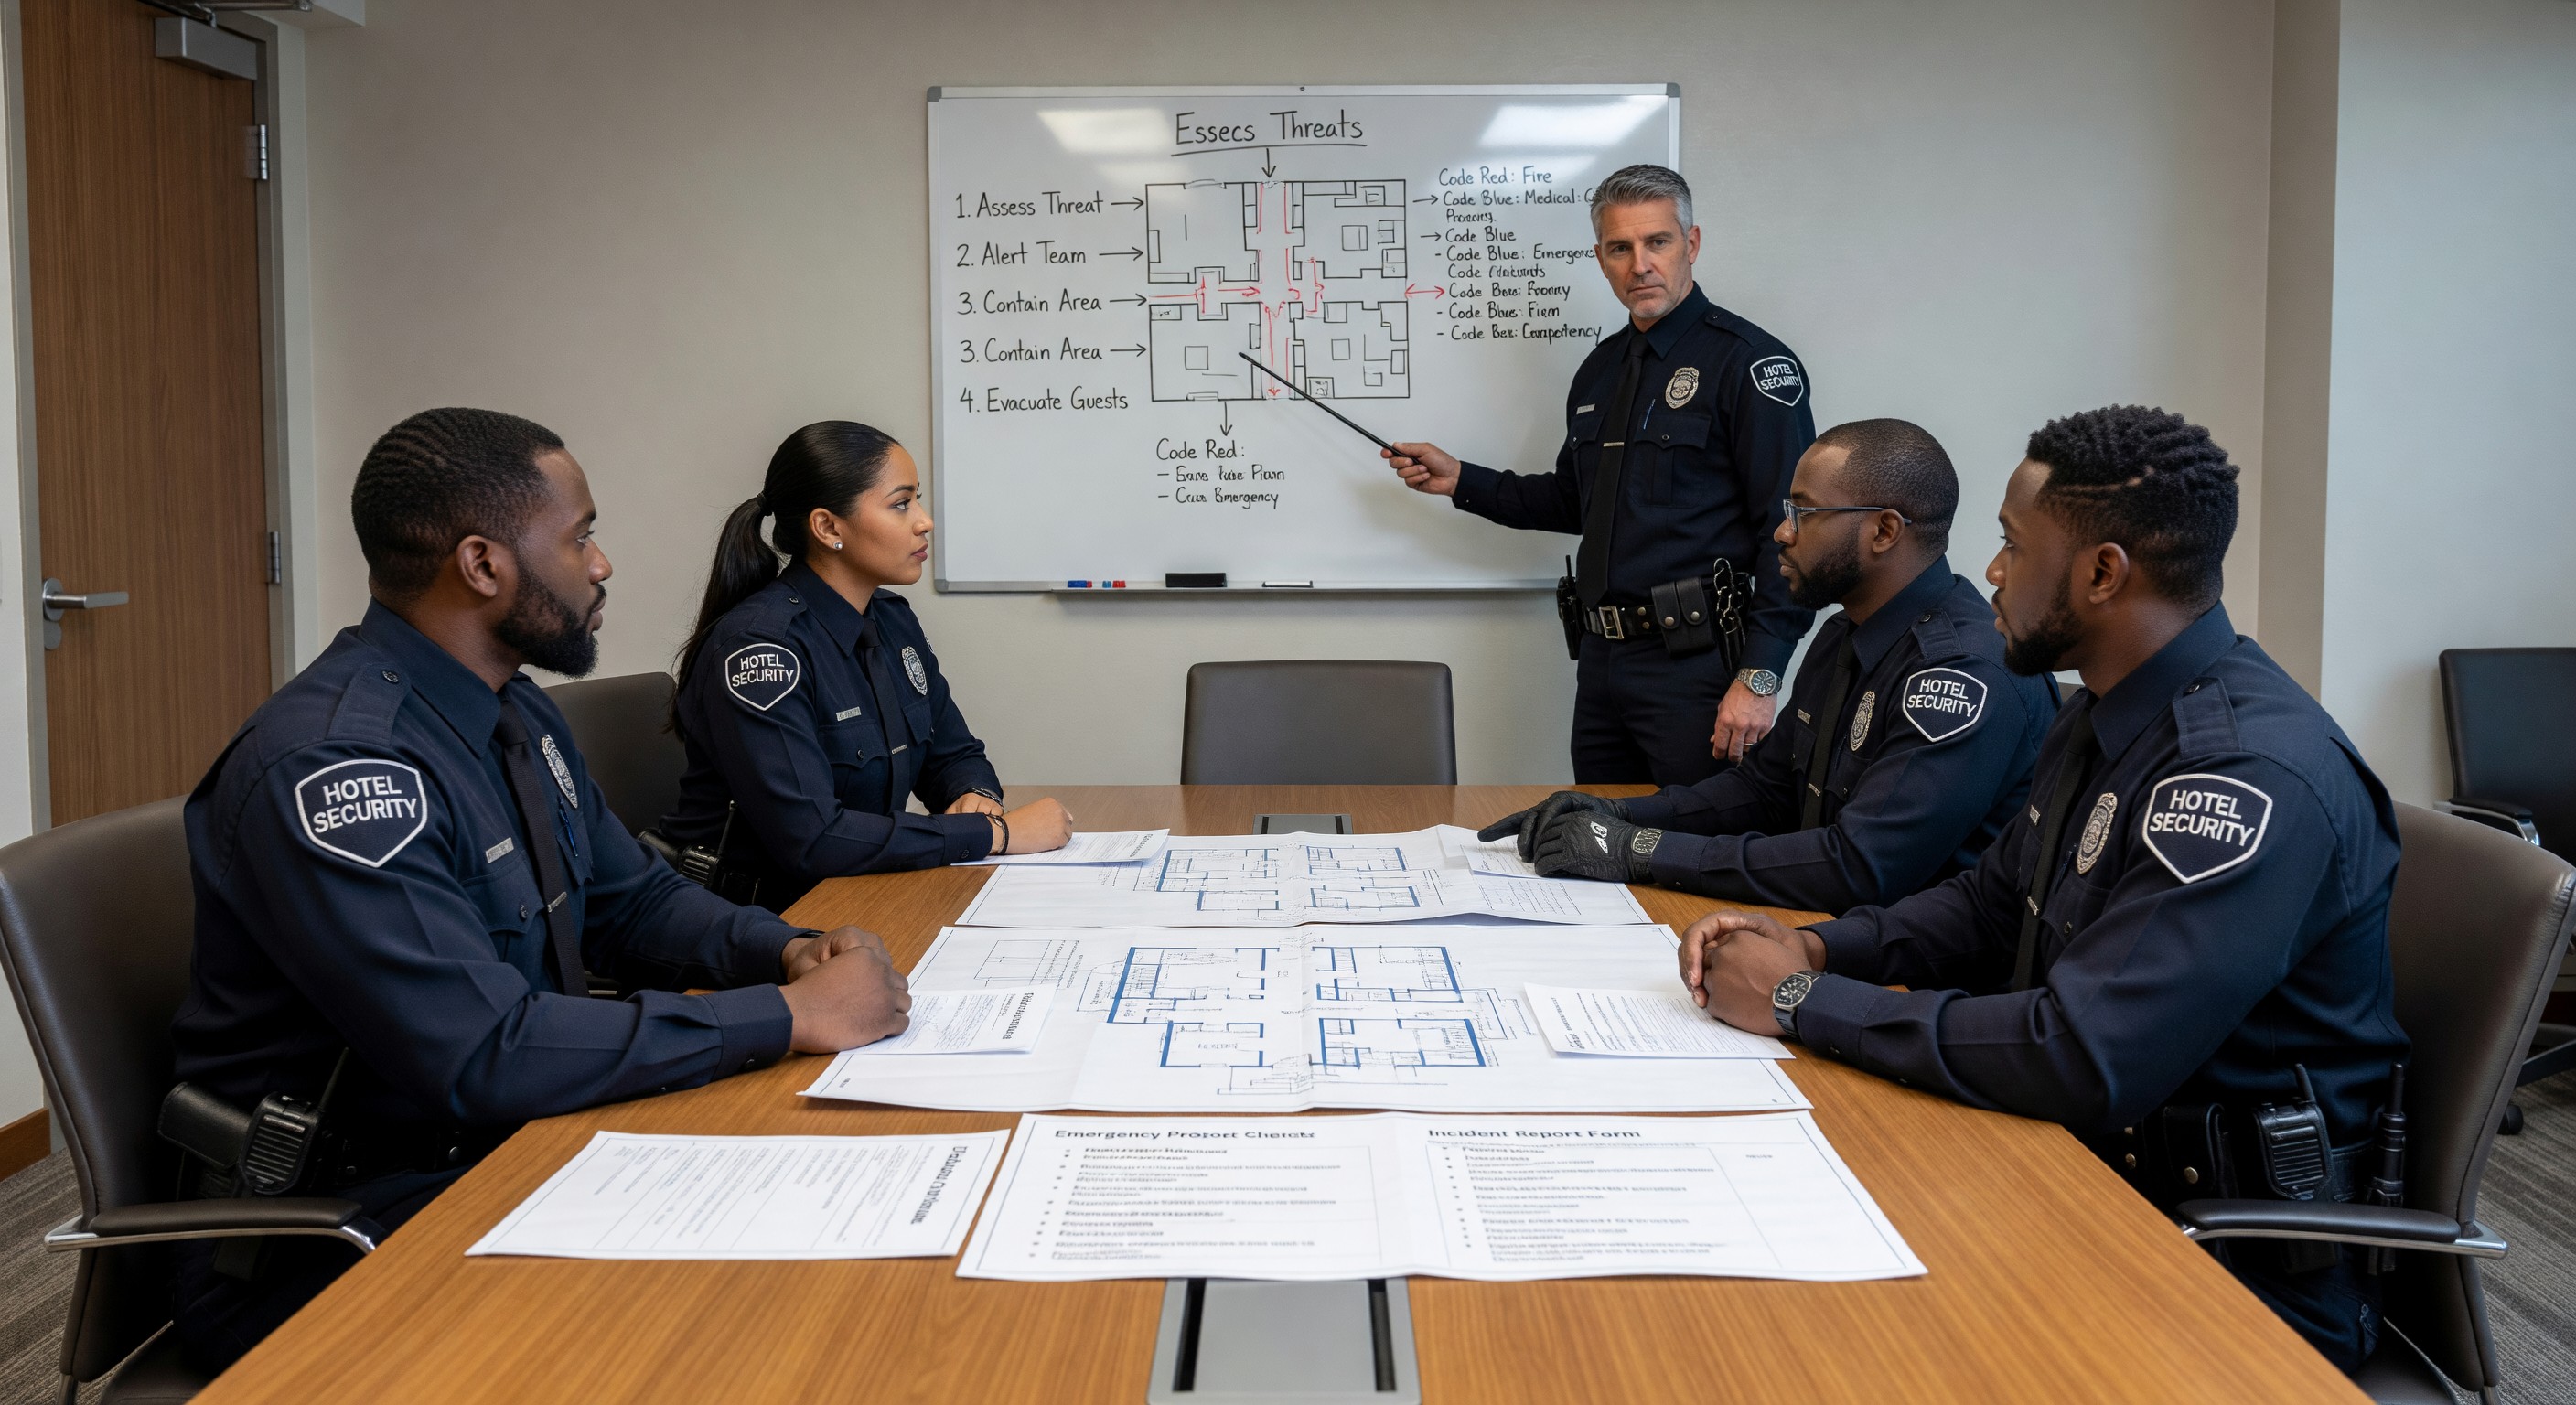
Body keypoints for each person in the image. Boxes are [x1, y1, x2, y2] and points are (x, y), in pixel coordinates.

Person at [169, 408, 915, 1371]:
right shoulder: (343, 772)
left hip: (497, 1156)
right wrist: (783, 1015)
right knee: (757, 1333)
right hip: (327, 1239)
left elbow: (631, 899)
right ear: (483, 565)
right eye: (579, 536)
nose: (600, 565)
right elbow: (480, 1051)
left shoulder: (512, 710)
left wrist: (779, 948)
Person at [1679, 405, 2408, 1369]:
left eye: (2011, 547)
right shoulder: (2105, 710)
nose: (1988, 572)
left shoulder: (2237, 778)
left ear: (2102, 573)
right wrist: (1815, 945)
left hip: (2227, 1268)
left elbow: (2081, 1051)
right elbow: (1989, 905)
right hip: (2082, 1173)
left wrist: (1797, 998)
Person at [1481, 419, 2054, 914]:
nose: (1782, 532)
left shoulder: (1962, 674)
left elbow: (1858, 867)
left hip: (1915, 982)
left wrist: (1637, 847)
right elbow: (1764, 789)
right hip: (1823, 935)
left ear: (1884, 530)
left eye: (1805, 513)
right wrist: (1617, 812)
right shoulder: (1844, 635)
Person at [1381, 163, 1816, 785]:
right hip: (1603, 666)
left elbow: (1793, 534)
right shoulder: (1602, 370)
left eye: (1657, 242)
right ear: (1600, 258)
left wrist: (1760, 678)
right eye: (1620, 248)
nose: (1640, 264)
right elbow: (1575, 502)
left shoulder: (1749, 365)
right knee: (1599, 845)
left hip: (1698, 670)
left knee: (1693, 855)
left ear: (1690, 245)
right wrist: (1461, 479)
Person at [659, 422, 1068, 908]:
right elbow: (814, 838)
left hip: (856, 897)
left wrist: (975, 795)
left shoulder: (891, 620)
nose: (924, 521)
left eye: (917, 500)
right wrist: (991, 835)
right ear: (829, 527)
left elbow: (953, 754)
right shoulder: (760, 651)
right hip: (760, 921)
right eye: (901, 504)